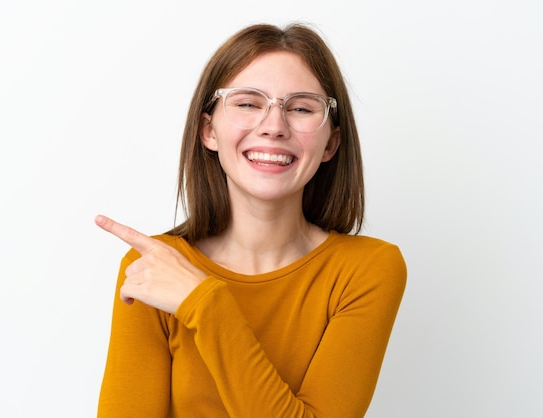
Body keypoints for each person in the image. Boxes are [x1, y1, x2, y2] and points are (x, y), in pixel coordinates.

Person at [95, 22, 406, 417]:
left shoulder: (368, 269)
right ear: (208, 131)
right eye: (247, 103)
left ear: (330, 143)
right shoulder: (156, 266)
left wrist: (203, 304)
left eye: (300, 107)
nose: (274, 127)